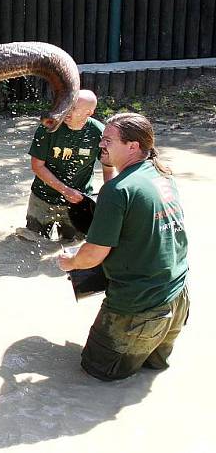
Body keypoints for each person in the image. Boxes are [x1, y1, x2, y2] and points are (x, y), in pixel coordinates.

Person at [58, 113, 189, 381]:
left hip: (137, 308)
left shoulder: (117, 190)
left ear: (133, 146)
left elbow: (94, 254)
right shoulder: (162, 175)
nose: (101, 145)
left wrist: (70, 262)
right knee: (149, 372)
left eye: (108, 140)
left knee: (95, 375)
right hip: (177, 299)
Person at [26, 89, 115, 240]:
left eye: (73, 108)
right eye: (66, 105)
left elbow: (108, 168)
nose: (66, 111)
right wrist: (65, 190)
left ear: (89, 113)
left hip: (79, 201)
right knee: (31, 242)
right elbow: (37, 166)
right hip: (41, 197)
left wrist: (109, 199)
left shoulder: (98, 133)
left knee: (72, 244)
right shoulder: (48, 127)